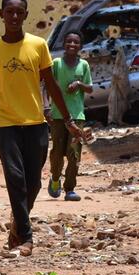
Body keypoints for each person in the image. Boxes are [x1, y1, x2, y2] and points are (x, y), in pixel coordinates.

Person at [0, 0, 82, 257]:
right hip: (5, 124)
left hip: (36, 123)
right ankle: (26, 237)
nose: (14, 17)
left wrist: (69, 120)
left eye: (19, 12)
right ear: (1, 14)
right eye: (9, 12)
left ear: (26, 15)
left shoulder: (38, 46)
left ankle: (18, 223)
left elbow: (51, 84)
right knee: (15, 178)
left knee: (35, 184)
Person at [46, 31, 93, 202]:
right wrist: (46, 108)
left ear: (80, 46)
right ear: (64, 44)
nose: (72, 45)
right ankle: (56, 178)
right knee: (57, 152)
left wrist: (80, 84)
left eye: (76, 42)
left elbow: (90, 88)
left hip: (78, 116)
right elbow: (47, 85)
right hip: (58, 116)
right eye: (69, 41)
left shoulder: (84, 65)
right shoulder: (56, 63)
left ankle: (70, 189)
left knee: (74, 153)